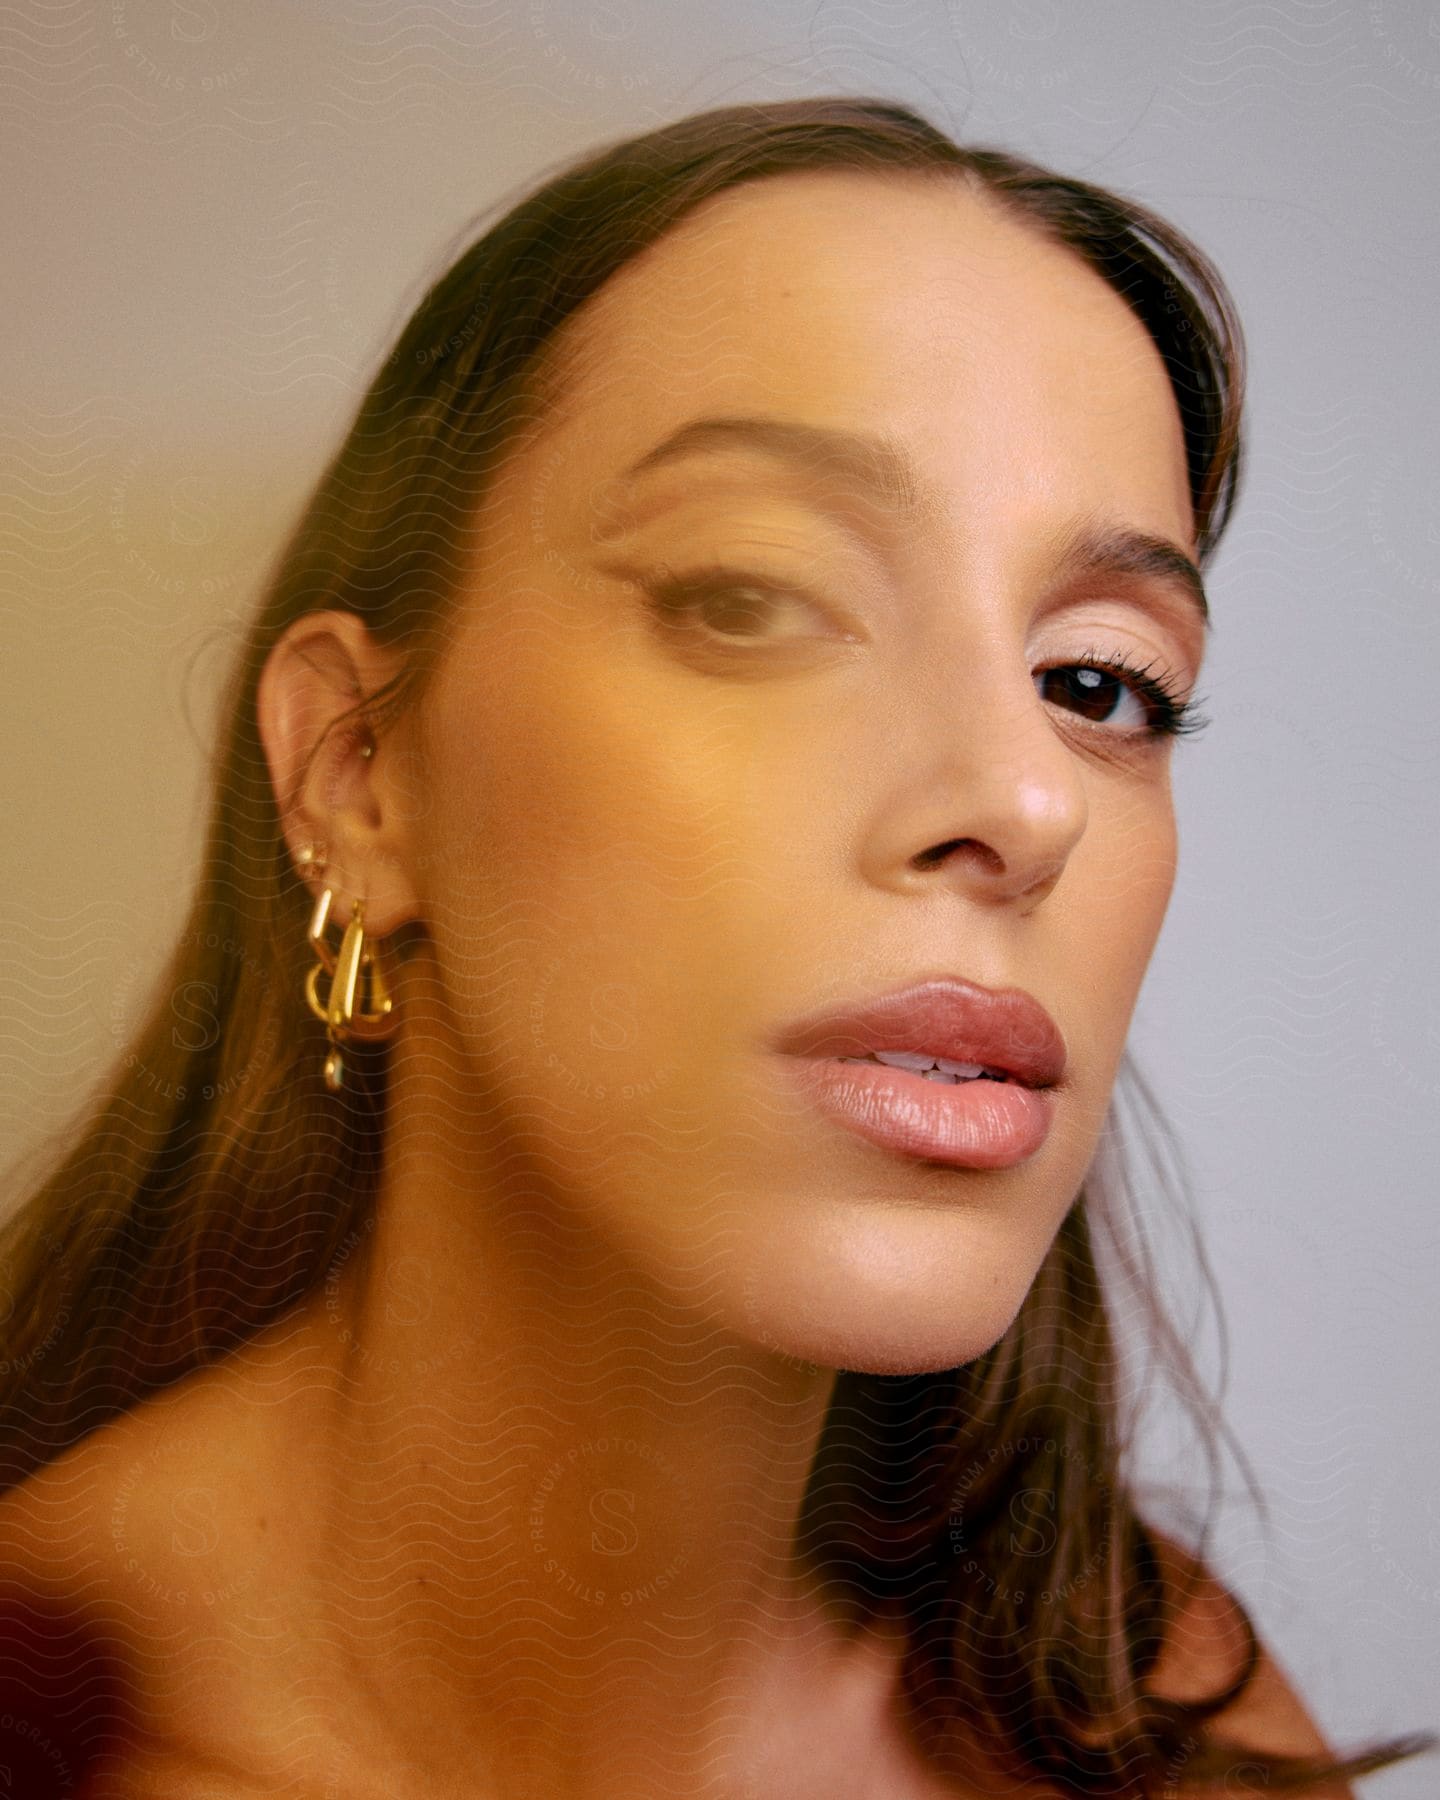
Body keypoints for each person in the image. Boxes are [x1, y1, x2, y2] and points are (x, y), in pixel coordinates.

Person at [0, 96, 1432, 1800]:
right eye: (755, 598)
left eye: (1097, 683)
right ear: (361, 774)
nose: (1024, 802)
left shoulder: (1155, 1719)